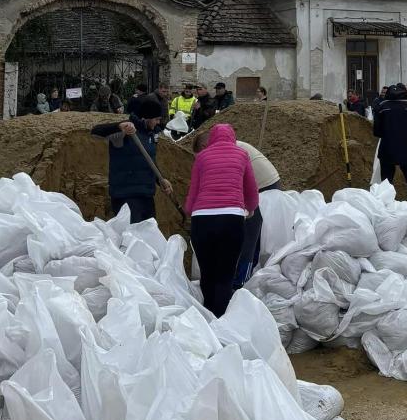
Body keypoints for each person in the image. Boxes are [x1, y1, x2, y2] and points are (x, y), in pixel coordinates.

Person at [185, 124, 258, 317]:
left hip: (203, 220)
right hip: (231, 219)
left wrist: (189, 211)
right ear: (232, 137)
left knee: (207, 273)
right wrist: (250, 209)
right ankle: (222, 320)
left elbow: (193, 191)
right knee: (225, 273)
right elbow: (251, 189)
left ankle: (209, 316)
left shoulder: (202, 157)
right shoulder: (242, 155)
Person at [192, 130, 282, 287]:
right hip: (261, 185)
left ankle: (241, 280)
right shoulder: (227, 147)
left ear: (205, 146)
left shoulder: (227, 152)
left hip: (263, 188)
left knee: (249, 234)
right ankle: (243, 273)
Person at [90, 98, 173, 223]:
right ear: (147, 117)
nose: (158, 122)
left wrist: (160, 179)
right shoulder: (124, 133)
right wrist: (118, 126)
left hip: (146, 194)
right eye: (156, 119)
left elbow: (148, 160)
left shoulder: (150, 135)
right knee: (132, 237)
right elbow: (95, 132)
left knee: (149, 234)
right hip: (126, 196)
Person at [373, 83, 407, 207]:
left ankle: (386, 208)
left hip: (387, 150)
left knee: (386, 183)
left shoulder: (382, 106)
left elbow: (376, 131)